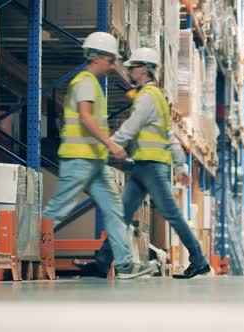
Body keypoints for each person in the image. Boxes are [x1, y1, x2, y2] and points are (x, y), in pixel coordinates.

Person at [74, 47, 211, 279]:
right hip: (143, 167)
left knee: (172, 214)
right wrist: (181, 166)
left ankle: (199, 260)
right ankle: (102, 262)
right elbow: (169, 136)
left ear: (146, 69)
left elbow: (131, 128)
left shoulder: (147, 97)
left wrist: (107, 145)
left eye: (134, 67)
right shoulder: (156, 96)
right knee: (122, 215)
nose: (130, 71)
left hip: (152, 167)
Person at [43, 32, 157, 280]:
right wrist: (111, 144)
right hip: (79, 159)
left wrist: (110, 146)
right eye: (109, 59)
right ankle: (27, 248)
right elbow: (85, 118)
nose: (112, 65)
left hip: (95, 161)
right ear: (96, 57)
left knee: (114, 211)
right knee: (59, 209)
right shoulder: (84, 81)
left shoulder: (94, 84)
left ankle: (125, 265)